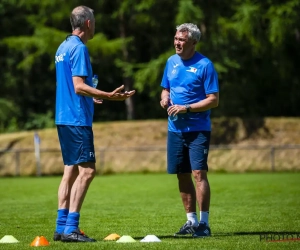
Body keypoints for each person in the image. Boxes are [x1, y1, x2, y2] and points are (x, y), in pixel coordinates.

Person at [54, 6, 135, 242]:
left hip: (63, 116)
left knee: (70, 171)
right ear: (88, 23)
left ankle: (61, 227)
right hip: (77, 119)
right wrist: (109, 94)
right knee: (88, 171)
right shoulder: (79, 49)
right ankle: (71, 228)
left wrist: (93, 95)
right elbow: (78, 86)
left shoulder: (63, 47)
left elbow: (72, 86)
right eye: (95, 21)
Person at [160, 23, 219, 238]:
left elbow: (213, 100)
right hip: (175, 129)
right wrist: (164, 97)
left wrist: (186, 108)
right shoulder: (171, 62)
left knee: (198, 174)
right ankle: (191, 221)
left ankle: (204, 224)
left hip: (198, 129)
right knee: (182, 174)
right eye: (176, 38)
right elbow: (166, 87)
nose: (177, 43)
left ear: (193, 42)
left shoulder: (205, 65)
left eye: (182, 40)